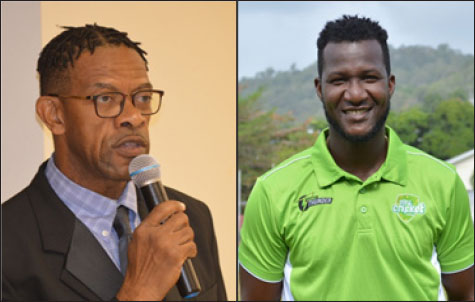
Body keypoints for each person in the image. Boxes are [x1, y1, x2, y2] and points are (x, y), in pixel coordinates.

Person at [239, 15, 474, 301]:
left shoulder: (443, 182)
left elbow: (465, 294)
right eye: (339, 80)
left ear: (390, 85)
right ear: (319, 88)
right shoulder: (272, 191)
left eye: (369, 78)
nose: (355, 94)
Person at [2, 24, 226, 301]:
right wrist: (140, 291)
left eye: (142, 98)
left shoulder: (190, 217)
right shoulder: (9, 242)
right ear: (54, 115)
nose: (134, 117)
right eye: (106, 99)